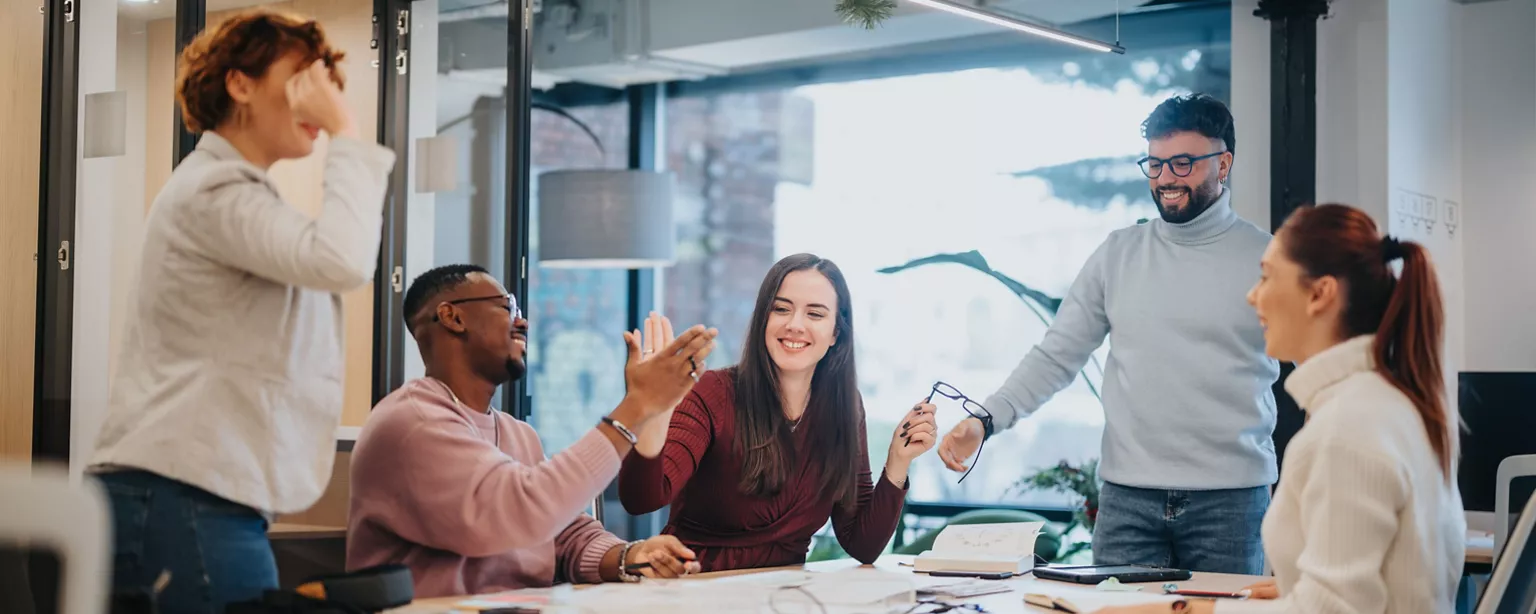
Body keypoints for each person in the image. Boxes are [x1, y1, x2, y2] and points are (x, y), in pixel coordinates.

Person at [87, 10, 394, 613]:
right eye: (303, 77)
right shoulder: (213, 191)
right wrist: (348, 130)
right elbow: (340, 259)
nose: (321, 95)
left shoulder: (235, 192)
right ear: (241, 83)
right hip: (181, 497)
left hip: (192, 499)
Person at [937, 94, 1280, 574]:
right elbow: (1056, 356)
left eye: (1182, 163)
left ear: (1223, 164)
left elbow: (1309, 360)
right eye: (1155, 164)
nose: (1165, 179)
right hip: (1128, 502)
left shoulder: (1269, 258)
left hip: (1230, 503)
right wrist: (985, 420)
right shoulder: (1118, 253)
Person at [1095, 205, 1466, 613]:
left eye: (1268, 277)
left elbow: (1332, 610)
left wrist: (1188, 610)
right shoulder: (1389, 404)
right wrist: (1294, 591)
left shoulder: (1349, 428)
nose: (1253, 296)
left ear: (1319, 293)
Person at [347, 265, 718, 597]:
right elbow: (521, 510)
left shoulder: (518, 434)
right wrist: (638, 406)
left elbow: (564, 535)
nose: (522, 322)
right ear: (452, 316)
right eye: (507, 307)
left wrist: (632, 556)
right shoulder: (411, 423)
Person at [616, 253, 937, 572]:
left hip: (784, 597)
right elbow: (641, 500)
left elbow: (862, 544)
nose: (795, 325)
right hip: (692, 589)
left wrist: (898, 461)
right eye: (781, 309)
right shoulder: (712, 392)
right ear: (762, 321)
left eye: (815, 314)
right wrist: (653, 409)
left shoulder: (845, 407)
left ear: (836, 334)